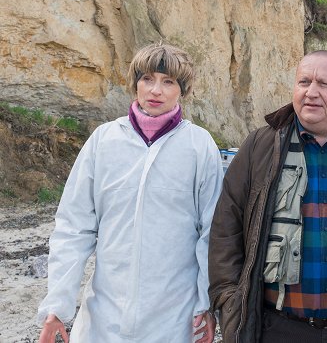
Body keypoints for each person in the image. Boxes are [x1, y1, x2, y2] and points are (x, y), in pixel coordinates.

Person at [208, 50, 327, 343]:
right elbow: (226, 230)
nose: (311, 92)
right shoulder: (259, 147)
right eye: (303, 82)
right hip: (276, 329)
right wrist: (229, 302)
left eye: (324, 84)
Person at [37, 43, 222, 342]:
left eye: (168, 82)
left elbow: (212, 233)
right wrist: (57, 306)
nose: (156, 91)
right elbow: (74, 227)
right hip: (104, 315)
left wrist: (206, 304)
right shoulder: (104, 140)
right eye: (147, 79)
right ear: (135, 83)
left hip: (173, 317)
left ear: (182, 90)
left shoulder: (199, 146)